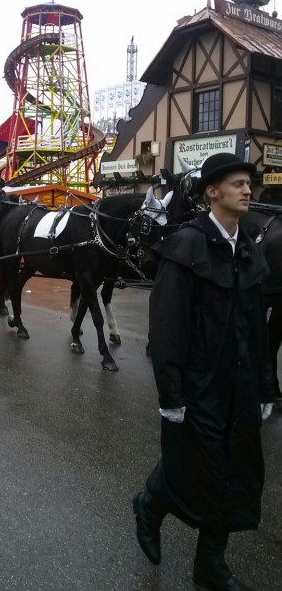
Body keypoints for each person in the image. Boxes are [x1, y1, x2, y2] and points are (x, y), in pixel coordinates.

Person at [132, 153, 276, 590]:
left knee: (237, 472)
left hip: (241, 383)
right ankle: (149, 506)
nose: (248, 190)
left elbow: (258, 328)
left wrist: (267, 385)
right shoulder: (186, 247)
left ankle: (210, 565)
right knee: (190, 465)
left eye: (249, 183)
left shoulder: (249, 249)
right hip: (198, 385)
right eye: (237, 184)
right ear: (212, 192)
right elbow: (168, 328)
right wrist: (171, 395)